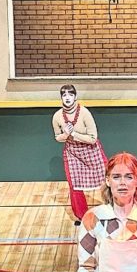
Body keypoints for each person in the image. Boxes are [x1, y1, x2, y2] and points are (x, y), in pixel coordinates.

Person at [53, 84, 108, 224]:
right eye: (64, 95)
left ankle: (113, 208)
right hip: (72, 152)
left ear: (75, 96)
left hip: (91, 150)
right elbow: (57, 137)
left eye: (70, 95)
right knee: (74, 185)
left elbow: (93, 138)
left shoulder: (84, 113)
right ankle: (81, 216)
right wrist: (66, 134)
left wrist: (74, 134)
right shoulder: (57, 116)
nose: (67, 98)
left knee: (107, 179)